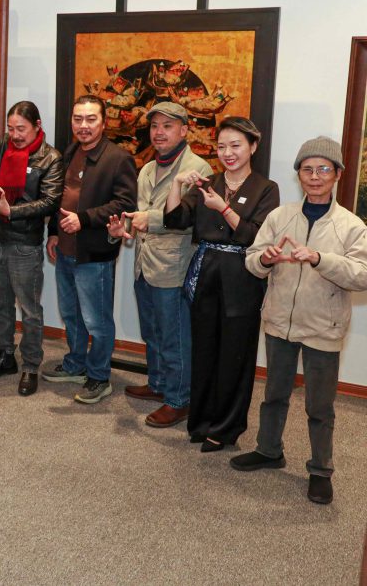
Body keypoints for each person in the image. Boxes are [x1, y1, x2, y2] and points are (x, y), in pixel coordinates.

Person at [231, 136, 367, 504]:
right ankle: (269, 450)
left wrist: (320, 259)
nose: (315, 176)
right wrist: (266, 259)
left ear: (337, 174)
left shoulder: (351, 226)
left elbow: (362, 275)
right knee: (273, 394)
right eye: (308, 169)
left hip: (324, 326)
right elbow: (253, 260)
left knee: (319, 406)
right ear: (299, 175)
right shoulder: (280, 216)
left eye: (323, 169)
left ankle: (320, 470)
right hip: (279, 321)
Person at [163, 116, 279, 452]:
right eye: (221, 146)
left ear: (253, 147)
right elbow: (176, 219)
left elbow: (256, 235)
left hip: (242, 275)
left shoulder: (266, 188)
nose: (227, 153)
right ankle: (200, 421)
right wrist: (176, 184)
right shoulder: (208, 182)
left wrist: (224, 208)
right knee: (204, 351)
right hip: (206, 272)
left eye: (236, 145)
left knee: (235, 356)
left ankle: (226, 428)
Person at [107, 102, 212, 427]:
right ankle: (158, 384)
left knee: (174, 337)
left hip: (173, 269)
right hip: (144, 264)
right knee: (151, 331)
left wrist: (147, 219)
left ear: (184, 130)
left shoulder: (198, 169)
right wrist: (123, 227)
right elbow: (139, 213)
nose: (159, 132)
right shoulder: (148, 169)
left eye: (167, 126)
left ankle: (179, 400)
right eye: (154, 126)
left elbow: (189, 220)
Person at [41, 95, 137, 404]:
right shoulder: (70, 152)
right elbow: (61, 196)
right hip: (65, 250)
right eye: (78, 119)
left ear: (104, 123)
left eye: (91, 119)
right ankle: (76, 364)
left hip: (94, 254)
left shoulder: (118, 158)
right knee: (71, 315)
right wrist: (54, 233)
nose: (83, 125)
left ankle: (99, 377)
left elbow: (125, 203)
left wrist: (83, 219)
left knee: (97, 321)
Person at [0, 101, 64, 395]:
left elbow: (50, 202)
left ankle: (31, 365)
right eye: (10, 128)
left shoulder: (51, 158)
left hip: (25, 245)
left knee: (30, 310)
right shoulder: (3, 146)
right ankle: (6, 355)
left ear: (37, 126)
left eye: (21, 128)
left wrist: (11, 211)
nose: (15, 135)